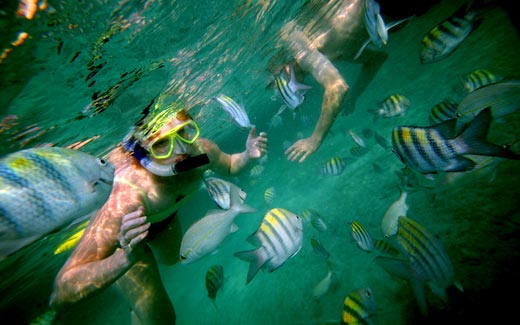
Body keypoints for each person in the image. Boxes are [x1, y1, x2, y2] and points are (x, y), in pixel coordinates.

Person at [49, 101, 268, 324]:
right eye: (162, 144)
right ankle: (133, 290)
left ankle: (136, 306)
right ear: (143, 151)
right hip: (125, 243)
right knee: (161, 319)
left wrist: (248, 156)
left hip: (164, 220)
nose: (181, 150)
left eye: (184, 132)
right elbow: (61, 294)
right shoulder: (128, 196)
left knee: (173, 258)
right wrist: (126, 257)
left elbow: (230, 165)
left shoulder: (202, 153)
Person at [270, 0, 390, 162]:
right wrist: (353, 96)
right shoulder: (332, 51)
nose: (290, 89)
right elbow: (377, 59)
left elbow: (337, 88)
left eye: (283, 82)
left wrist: (315, 139)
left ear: (283, 68)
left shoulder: (299, 48)